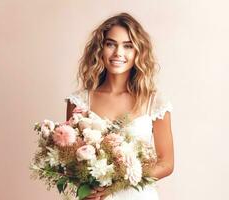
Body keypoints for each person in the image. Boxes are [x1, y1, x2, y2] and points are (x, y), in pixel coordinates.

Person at [65, 12, 174, 200]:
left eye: (128, 46)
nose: (118, 53)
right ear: (100, 49)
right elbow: (69, 159)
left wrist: (116, 185)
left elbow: (166, 163)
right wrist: (87, 186)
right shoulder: (79, 102)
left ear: (138, 52)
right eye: (110, 44)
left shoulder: (153, 102)